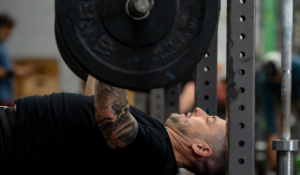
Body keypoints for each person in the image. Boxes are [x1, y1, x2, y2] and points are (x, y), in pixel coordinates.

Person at [0, 75, 226, 175]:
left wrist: (119, 55)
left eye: (208, 120)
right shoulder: (161, 142)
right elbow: (95, 101)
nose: (199, 110)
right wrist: (102, 56)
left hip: (11, 139)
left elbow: (111, 118)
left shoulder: (158, 157)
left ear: (201, 148)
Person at [257, 51, 300, 168]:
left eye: (277, 76)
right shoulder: (265, 79)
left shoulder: (297, 67)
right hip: (278, 95)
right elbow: (268, 109)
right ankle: (274, 162)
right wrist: (272, 134)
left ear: (283, 70)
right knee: (274, 128)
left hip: (297, 92)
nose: (275, 80)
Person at [0, 14, 15, 107]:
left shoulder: (3, 46)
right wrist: (14, 72)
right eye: (7, 29)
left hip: (7, 97)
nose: (9, 32)